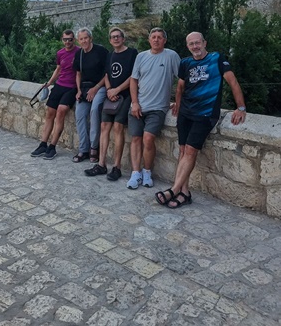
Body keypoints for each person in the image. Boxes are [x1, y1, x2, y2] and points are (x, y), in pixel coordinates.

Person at [155, 31, 246, 209]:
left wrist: (241, 107)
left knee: (190, 151)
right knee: (182, 151)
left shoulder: (216, 59)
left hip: (206, 113)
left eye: (198, 43)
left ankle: (174, 189)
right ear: (187, 46)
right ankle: (184, 193)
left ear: (204, 43)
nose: (195, 46)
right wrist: (178, 105)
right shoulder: (185, 63)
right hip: (185, 113)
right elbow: (180, 87)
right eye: (191, 44)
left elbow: (233, 82)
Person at [127, 27, 180, 189]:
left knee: (148, 138)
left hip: (157, 108)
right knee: (135, 139)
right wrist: (134, 102)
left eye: (159, 37)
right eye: (153, 37)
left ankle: (147, 172)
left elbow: (182, 80)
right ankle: (135, 173)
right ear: (149, 39)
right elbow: (133, 80)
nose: (156, 39)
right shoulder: (141, 56)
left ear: (164, 40)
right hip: (138, 106)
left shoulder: (171, 56)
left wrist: (179, 101)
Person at [84, 27, 137, 180]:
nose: (116, 39)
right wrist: (108, 90)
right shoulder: (110, 55)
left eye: (118, 36)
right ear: (110, 40)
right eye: (113, 37)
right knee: (104, 126)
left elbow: (134, 75)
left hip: (125, 95)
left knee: (118, 127)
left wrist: (117, 90)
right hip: (111, 95)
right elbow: (107, 74)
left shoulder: (132, 53)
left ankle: (116, 167)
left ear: (123, 38)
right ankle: (101, 164)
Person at [30, 30, 78, 160]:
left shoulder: (79, 52)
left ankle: (52, 146)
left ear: (74, 40)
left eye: (70, 39)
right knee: (50, 113)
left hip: (71, 87)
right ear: (62, 40)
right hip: (59, 85)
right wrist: (49, 83)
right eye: (65, 39)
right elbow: (58, 69)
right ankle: (43, 144)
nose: (67, 42)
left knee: (61, 111)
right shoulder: (60, 53)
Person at [72, 27, 108, 163]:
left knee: (94, 111)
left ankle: (94, 147)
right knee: (80, 114)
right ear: (78, 41)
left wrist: (96, 88)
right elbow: (78, 74)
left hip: (100, 86)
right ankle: (83, 149)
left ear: (90, 38)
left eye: (86, 38)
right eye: (81, 39)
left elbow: (107, 74)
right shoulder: (79, 54)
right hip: (85, 88)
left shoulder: (101, 51)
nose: (84, 41)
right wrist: (78, 90)